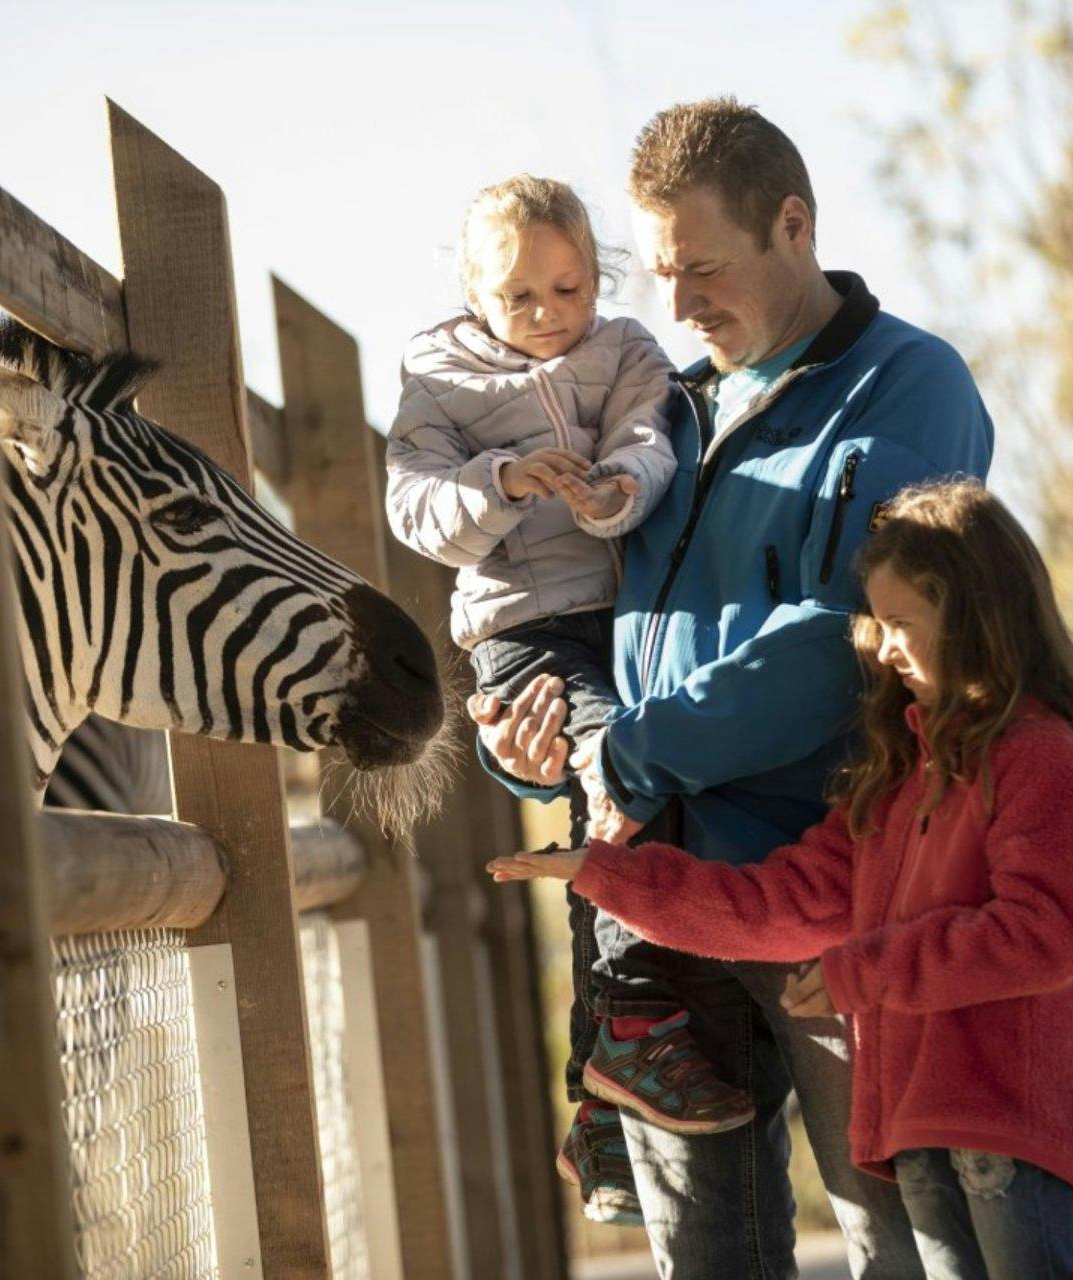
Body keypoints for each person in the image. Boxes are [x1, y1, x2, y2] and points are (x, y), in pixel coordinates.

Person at [469, 98, 994, 1276]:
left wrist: (633, 752)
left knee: (907, 1242)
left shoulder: (910, 389)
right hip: (658, 897)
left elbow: (846, 639)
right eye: (660, 273)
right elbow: (586, 617)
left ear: (793, 225)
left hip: (839, 886)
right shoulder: (664, 411)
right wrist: (536, 734)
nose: (680, 304)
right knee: (708, 1261)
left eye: (702, 266)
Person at [490, 478, 1073, 1280]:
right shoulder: (896, 782)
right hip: (915, 1130)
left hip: (1008, 1124)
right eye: (878, 624)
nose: (885, 650)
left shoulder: (1042, 762)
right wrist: (606, 875)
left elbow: (1041, 936)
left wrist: (861, 973)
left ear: (974, 615)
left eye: (901, 625)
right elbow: (771, 904)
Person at [384, 175, 753, 1225]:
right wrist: (501, 480)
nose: (549, 316)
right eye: (520, 298)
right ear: (471, 292)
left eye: (569, 287)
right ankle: (639, 1017)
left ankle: (598, 1100)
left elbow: (653, 434)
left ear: (600, 275)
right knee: (615, 770)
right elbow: (413, 503)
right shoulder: (437, 372)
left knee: (612, 816)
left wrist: (615, 490)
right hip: (520, 635)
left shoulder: (624, 349)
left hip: (622, 614)